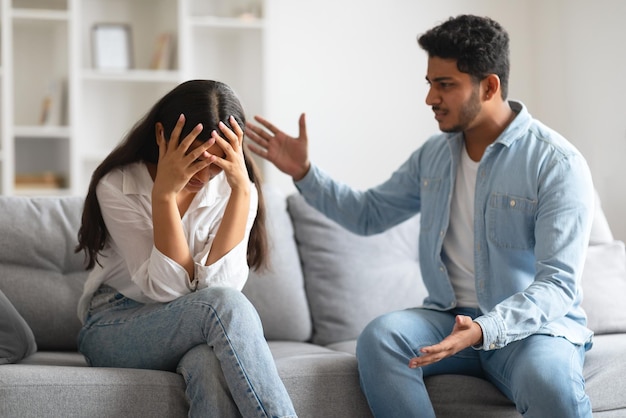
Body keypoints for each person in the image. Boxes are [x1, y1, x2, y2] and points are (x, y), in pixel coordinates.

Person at [245, 14, 594, 418]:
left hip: (531, 329)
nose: (430, 98)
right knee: (381, 337)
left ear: (490, 86)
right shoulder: (434, 155)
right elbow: (369, 214)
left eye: (445, 85)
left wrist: (486, 329)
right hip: (449, 317)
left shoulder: (556, 163)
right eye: (429, 83)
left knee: (549, 381)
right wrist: (305, 173)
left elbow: (558, 284)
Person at [75, 79, 297, 418]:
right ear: (162, 135)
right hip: (115, 323)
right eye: (197, 157)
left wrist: (240, 193)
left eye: (219, 160)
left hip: (193, 326)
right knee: (223, 307)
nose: (207, 173)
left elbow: (219, 287)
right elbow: (171, 290)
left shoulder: (236, 188)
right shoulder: (119, 186)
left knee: (209, 364)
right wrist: (163, 196)